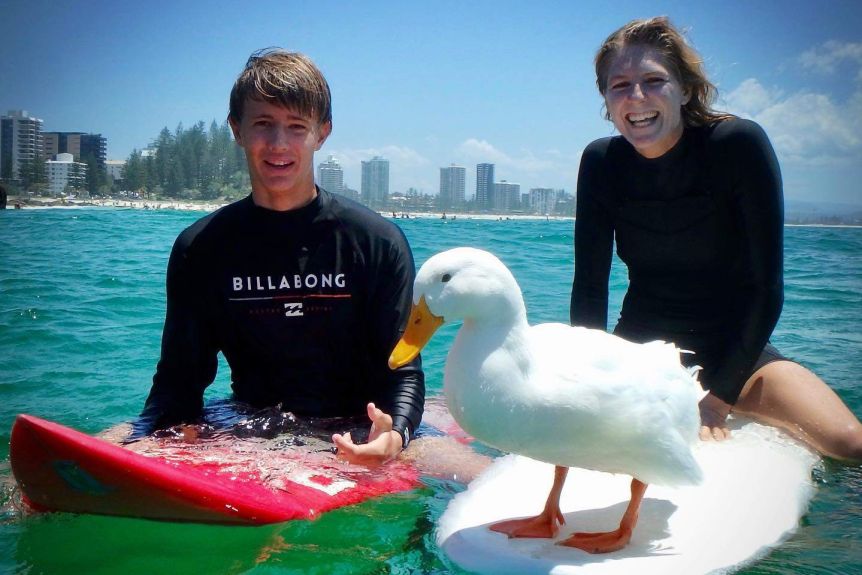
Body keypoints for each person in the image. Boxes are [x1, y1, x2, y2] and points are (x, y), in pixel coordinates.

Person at [571, 17, 862, 461]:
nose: (637, 98)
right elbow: (589, 288)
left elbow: (767, 288)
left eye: (654, 81)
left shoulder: (736, 145)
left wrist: (720, 397)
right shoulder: (601, 162)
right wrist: (591, 381)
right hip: (642, 355)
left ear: (685, 89)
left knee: (850, 443)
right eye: (620, 85)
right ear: (606, 100)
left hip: (736, 356)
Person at [136, 49, 424, 465]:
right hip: (248, 424)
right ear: (236, 129)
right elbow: (179, 381)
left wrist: (395, 435)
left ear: (321, 133)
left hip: (362, 426)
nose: (278, 144)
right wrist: (142, 443)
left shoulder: (376, 242)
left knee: (470, 477)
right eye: (263, 124)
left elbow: (404, 373)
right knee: (87, 453)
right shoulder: (201, 248)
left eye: (296, 126)